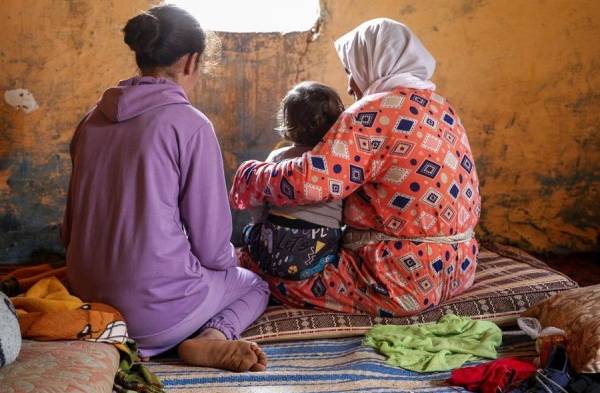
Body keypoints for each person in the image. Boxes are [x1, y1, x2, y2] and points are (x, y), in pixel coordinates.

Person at [62, 5, 269, 372]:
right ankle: (212, 337)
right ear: (191, 61)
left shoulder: (91, 118)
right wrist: (230, 261)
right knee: (253, 284)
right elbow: (212, 250)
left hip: (87, 301)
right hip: (151, 315)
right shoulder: (190, 124)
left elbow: (69, 228)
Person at [230, 18, 481, 317]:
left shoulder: (376, 110)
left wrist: (250, 175)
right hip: (458, 269)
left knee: (265, 270)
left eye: (351, 71)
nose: (350, 86)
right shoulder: (441, 107)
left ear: (374, 62)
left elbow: (311, 181)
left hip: (399, 279)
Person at [243, 81, 345, 281]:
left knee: (250, 231)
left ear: (287, 121)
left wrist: (259, 225)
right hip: (319, 254)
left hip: (272, 252)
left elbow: (258, 202)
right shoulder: (337, 161)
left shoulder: (278, 157)